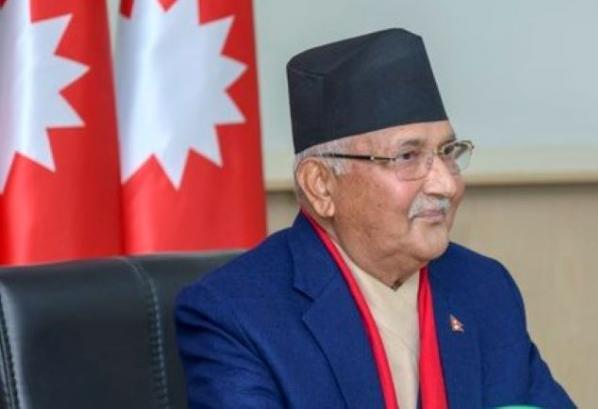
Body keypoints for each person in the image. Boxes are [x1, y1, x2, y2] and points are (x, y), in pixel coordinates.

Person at [175, 28, 576, 409]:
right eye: (407, 157)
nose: (446, 185)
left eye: (448, 152)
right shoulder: (236, 314)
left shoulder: (483, 288)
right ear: (321, 186)